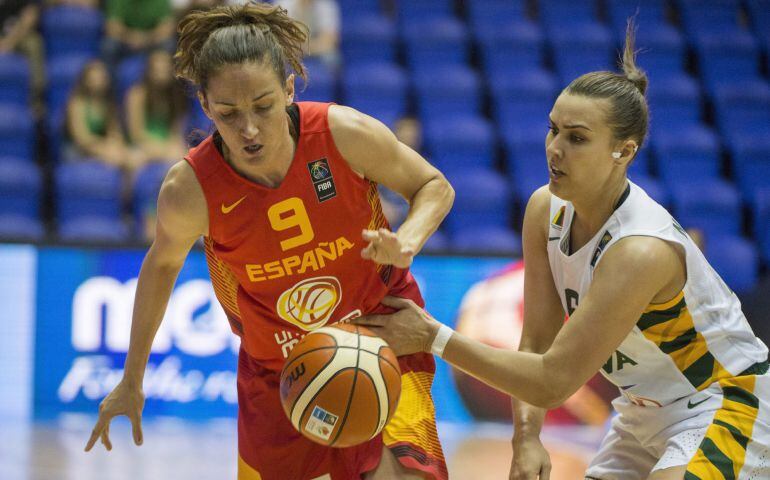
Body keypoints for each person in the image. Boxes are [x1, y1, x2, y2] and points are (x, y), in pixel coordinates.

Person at [355, 21, 770, 480]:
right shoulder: (544, 209)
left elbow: (552, 379)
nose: (555, 149)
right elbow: (535, 342)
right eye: (553, 131)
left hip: (724, 401)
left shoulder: (639, 250)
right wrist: (527, 437)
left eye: (576, 138)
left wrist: (433, 337)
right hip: (639, 411)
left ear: (623, 151)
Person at [84, 4, 453, 480]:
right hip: (278, 371)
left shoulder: (343, 133)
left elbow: (434, 187)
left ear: (289, 88)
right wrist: (132, 379)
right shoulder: (190, 190)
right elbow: (160, 268)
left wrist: (407, 240)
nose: (249, 129)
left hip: (380, 336)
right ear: (204, 105)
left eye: (263, 105)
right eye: (228, 113)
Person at [66, 59, 145, 169]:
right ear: (85, 80)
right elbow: (82, 139)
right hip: (79, 149)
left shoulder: (109, 104)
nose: (98, 81)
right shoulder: (77, 104)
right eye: (94, 78)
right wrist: (103, 149)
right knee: (117, 157)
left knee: (133, 156)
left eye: (101, 78)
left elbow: (115, 132)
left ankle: (129, 185)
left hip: (104, 146)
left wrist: (115, 145)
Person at [125, 49, 189, 162]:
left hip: (167, 146)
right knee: (133, 161)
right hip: (142, 146)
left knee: (185, 157)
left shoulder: (175, 96)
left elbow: (176, 132)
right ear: (149, 71)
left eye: (165, 69)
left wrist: (173, 146)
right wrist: (160, 149)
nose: (162, 73)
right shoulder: (137, 94)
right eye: (158, 70)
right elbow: (136, 133)